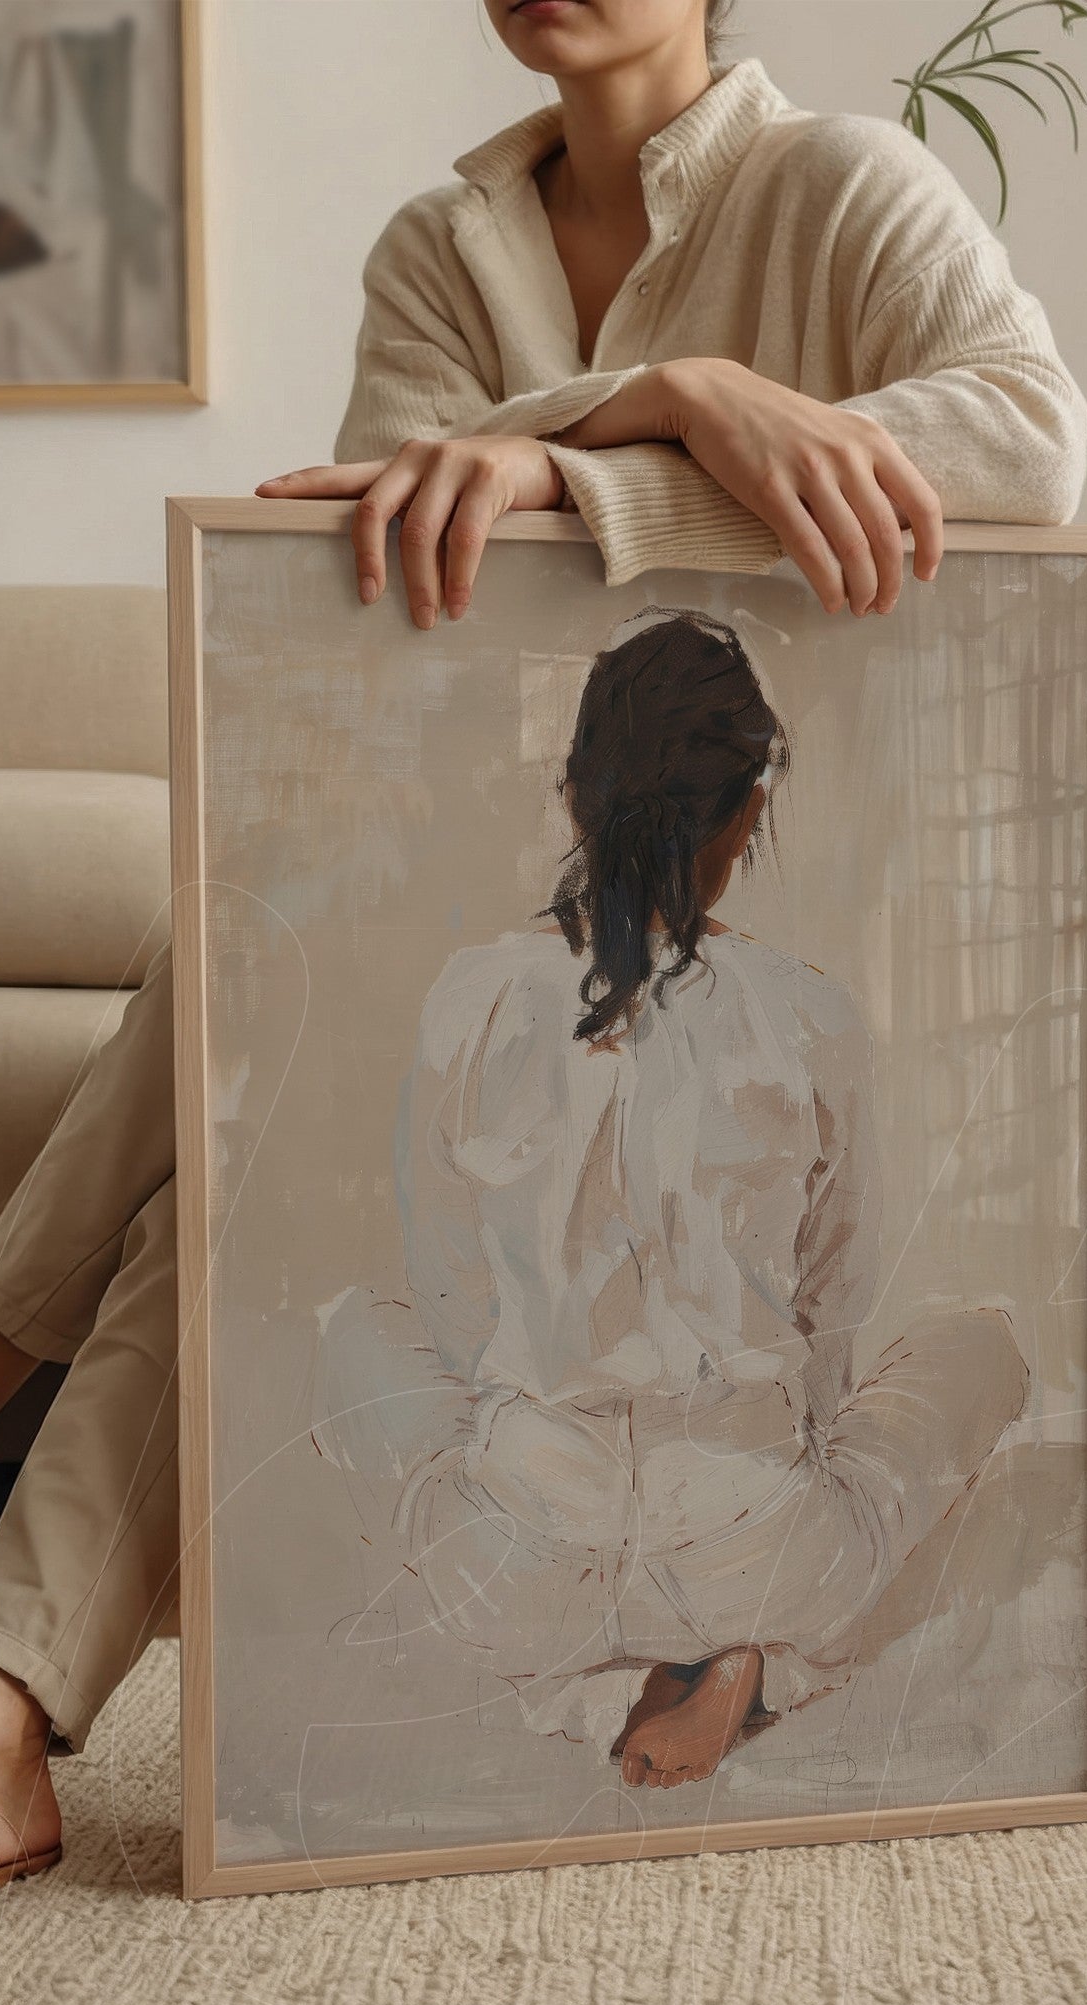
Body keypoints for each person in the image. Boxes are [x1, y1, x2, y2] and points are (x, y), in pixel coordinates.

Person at [0, 0, 1087, 1952]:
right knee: (267, 959)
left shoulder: (842, 186)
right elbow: (375, 574)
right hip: (495, 907)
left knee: (242, 1020)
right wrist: (677, 397)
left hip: (807, 905)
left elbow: (1025, 442)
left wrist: (602, 451)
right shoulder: (441, 246)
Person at [315, 607, 1028, 1787]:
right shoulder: (809, 1013)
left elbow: (446, 1298)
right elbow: (833, 1317)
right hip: (759, 1541)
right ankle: (761, 1666)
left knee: (349, 1333)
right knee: (986, 1343)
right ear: (751, 810)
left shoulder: (470, 996)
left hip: (519, 1560)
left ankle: (590, 1689)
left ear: (570, 795)